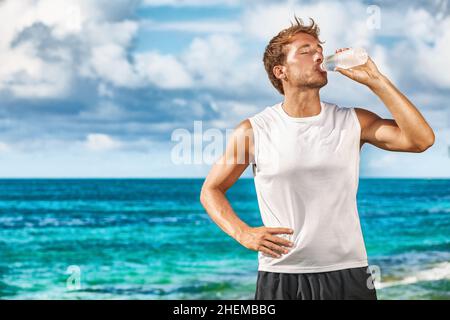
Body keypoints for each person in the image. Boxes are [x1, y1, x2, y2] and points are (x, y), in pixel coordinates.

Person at [199, 16, 435, 300]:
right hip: (282, 276)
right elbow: (211, 190)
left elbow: (421, 140)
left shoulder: (352, 121)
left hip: (349, 273)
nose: (319, 55)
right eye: (305, 51)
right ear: (280, 71)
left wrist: (377, 81)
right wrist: (244, 234)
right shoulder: (255, 130)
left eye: (319, 49)